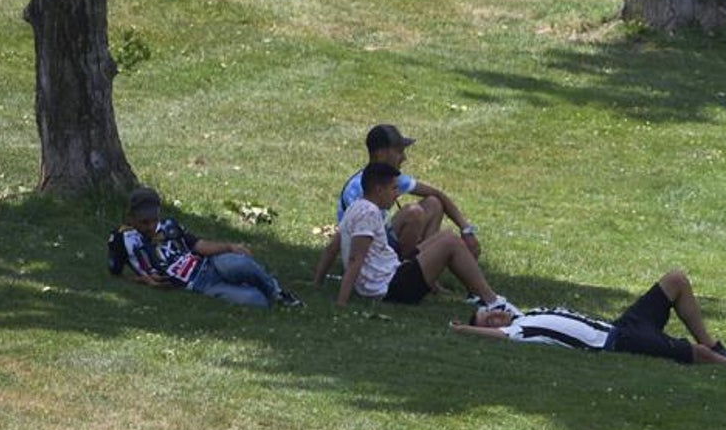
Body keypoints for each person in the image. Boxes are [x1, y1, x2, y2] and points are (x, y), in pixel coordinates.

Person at [452, 269, 726, 377]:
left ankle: (714, 344)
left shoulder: (522, 314)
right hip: (618, 342)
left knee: (675, 280)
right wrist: (463, 329)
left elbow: (494, 301)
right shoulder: (518, 331)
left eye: (491, 312)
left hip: (620, 325)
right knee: (694, 355)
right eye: (489, 318)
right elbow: (495, 335)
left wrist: (485, 304)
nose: (496, 315)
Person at [327, 162, 521, 314]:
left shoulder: (356, 207)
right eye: (394, 189)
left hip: (392, 276)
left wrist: (317, 281)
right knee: (451, 241)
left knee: (445, 236)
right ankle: (493, 302)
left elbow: (333, 246)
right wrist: (341, 302)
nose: (396, 195)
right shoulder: (369, 213)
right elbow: (355, 259)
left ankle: (477, 295)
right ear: (379, 190)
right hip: (391, 288)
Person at [312, 123, 480, 288]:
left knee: (433, 203)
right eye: (399, 151)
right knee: (415, 213)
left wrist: (466, 229)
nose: (404, 158)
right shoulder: (358, 188)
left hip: (381, 244)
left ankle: (426, 273)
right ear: (380, 154)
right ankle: (411, 272)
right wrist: (326, 285)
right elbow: (342, 239)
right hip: (367, 254)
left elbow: (438, 194)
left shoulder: (391, 179)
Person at [107, 187, 303, 309]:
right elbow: (114, 274)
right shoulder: (121, 238)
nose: (150, 226)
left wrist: (229, 246)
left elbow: (197, 244)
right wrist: (142, 280)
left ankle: (277, 292)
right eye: (144, 222)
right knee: (256, 301)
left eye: (153, 220)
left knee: (237, 264)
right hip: (200, 285)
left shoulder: (169, 225)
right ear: (130, 217)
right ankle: (260, 289)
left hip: (209, 264)